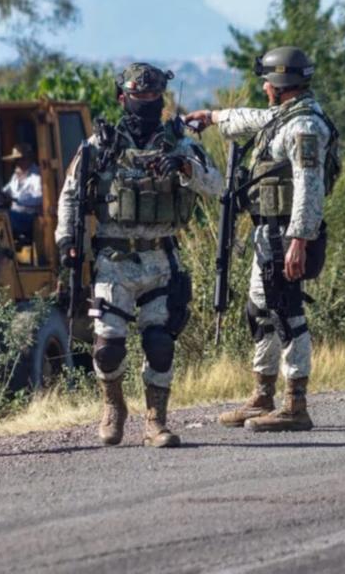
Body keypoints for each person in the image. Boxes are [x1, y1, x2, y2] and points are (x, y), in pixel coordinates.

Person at [56, 63, 222, 448]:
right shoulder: (99, 146)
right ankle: (114, 407)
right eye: (139, 96)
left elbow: (216, 184)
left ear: (161, 98)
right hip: (113, 262)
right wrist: (67, 243)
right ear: (122, 98)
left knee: (160, 343)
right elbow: (71, 194)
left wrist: (184, 168)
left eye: (153, 96)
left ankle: (156, 421)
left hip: (162, 262)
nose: (147, 103)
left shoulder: (179, 142)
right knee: (108, 348)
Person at [186, 46, 339, 433]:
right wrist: (213, 117)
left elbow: (309, 188)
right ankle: (262, 394)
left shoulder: (305, 128)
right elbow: (253, 118)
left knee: (287, 312)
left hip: (287, 232)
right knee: (259, 310)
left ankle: (295, 403)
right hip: (267, 232)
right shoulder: (284, 116)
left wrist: (299, 240)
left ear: (279, 84)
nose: (265, 88)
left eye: (268, 81)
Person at [1, 143, 42, 241]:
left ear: (29, 159)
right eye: (16, 160)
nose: (18, 163)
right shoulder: (16, 176)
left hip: (30, 218)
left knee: (6, 218)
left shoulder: (38, 176)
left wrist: (16, 199)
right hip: (16, 215)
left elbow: (39, 199)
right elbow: (6, 191)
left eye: (21, 159)